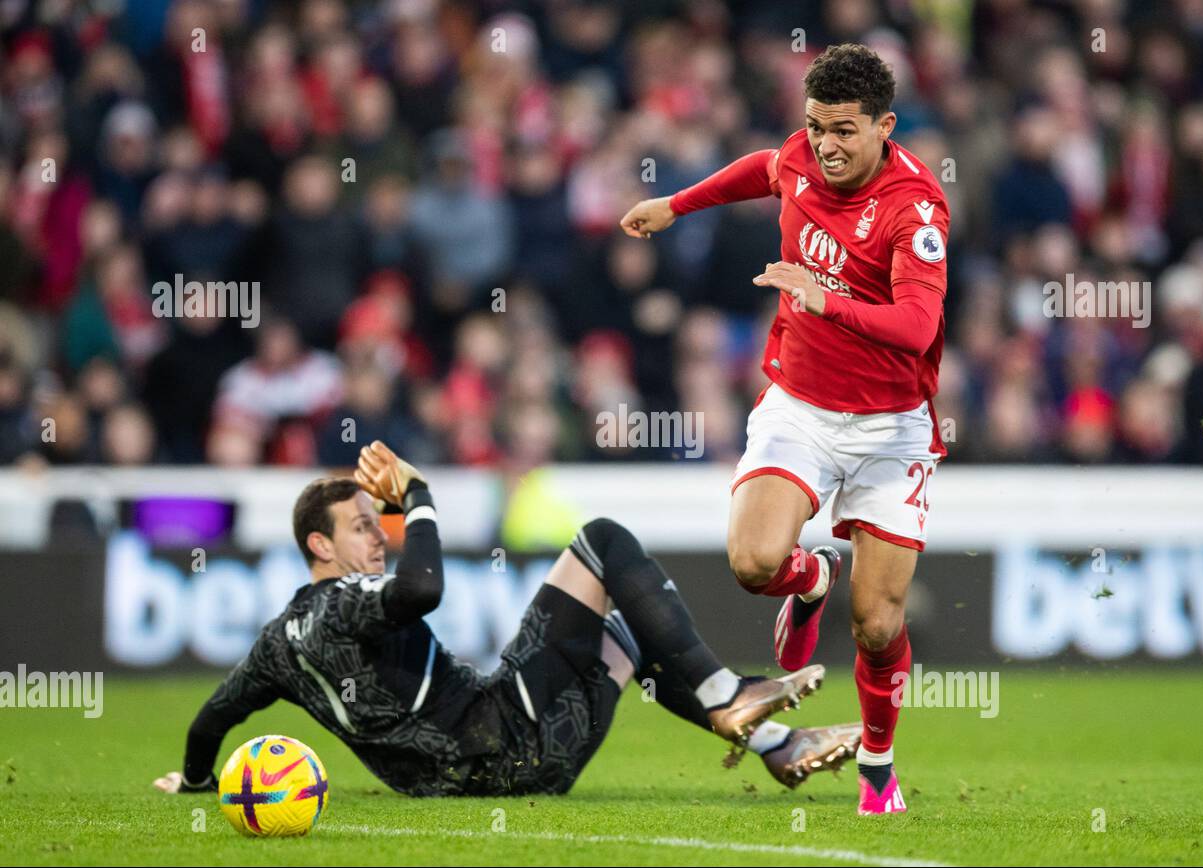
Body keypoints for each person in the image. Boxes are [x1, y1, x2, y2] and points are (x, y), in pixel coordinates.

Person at [619, 44, 950, 815]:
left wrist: (825, 299)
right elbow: (762, 166)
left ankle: (877, 764)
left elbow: (917, 323)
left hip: (892, 429)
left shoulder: (916, 208)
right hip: (799, 405)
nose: (825, 145)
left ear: (884, 127)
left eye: (843, 130)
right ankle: (811, 578)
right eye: (816, 127)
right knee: (754, 559)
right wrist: (676, 205)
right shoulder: (798, 156)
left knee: (876, 627)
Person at [153, 441, 861, 799]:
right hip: (517, 739)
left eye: (382, 521)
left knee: (626, 627)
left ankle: (775, 742)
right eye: (364, 526)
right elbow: (422, 590)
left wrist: (195, 781)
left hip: (497, 770)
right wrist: (418, 495)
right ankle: (725, 696)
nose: (379, 534)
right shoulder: (345, 602)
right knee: (606, 541)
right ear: (319, 546)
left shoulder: (277, 645)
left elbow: (209, 722)